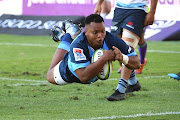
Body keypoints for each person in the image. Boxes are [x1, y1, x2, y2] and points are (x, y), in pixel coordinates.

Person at [47, 14, 140, 100]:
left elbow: (137, 63)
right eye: (95, 32)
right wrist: (104, 58)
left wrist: (123, 58)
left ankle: (68, 35)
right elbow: (83, 77)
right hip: (69, 71)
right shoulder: (77, 45)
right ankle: (68, 35)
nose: (100, 36)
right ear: (86, 32)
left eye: (102, 31)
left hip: (91, 69)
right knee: (49, 75)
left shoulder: (110, 39)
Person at [94, 0, 158, 101]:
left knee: (127, 48)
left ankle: (120, 90)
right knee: (116, 49)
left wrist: (152, 12)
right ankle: (133, 82)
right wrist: (99, 3)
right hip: (119, 9)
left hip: (137, 10)